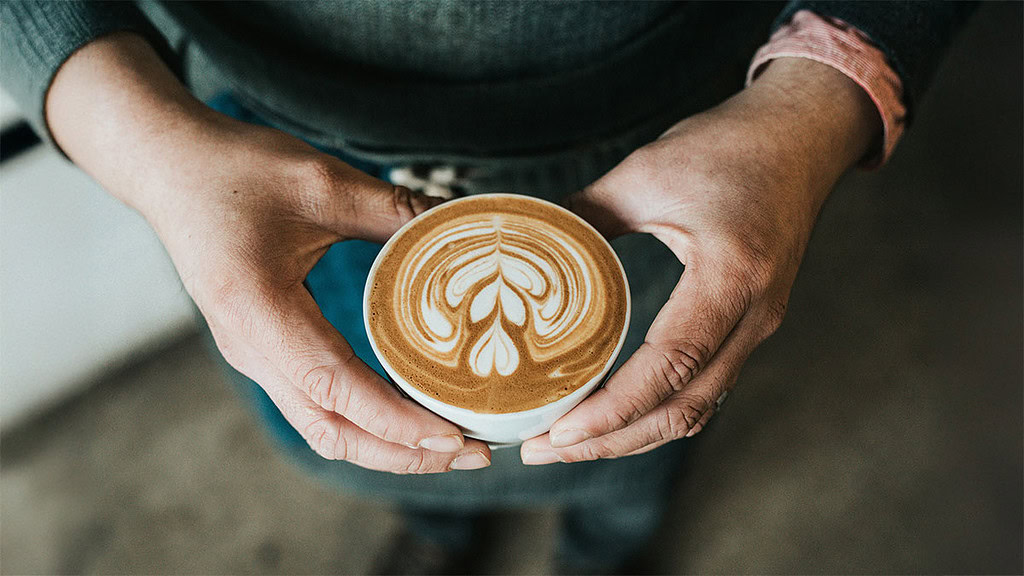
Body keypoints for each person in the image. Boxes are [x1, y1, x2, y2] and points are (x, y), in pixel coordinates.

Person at [2, 1, 974, 573]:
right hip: (262, 156)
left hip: (673, 141)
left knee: (645, 422)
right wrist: (137, 136)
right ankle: (440, 525)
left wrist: (825, 87)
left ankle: (607, 547)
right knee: (383, 435)